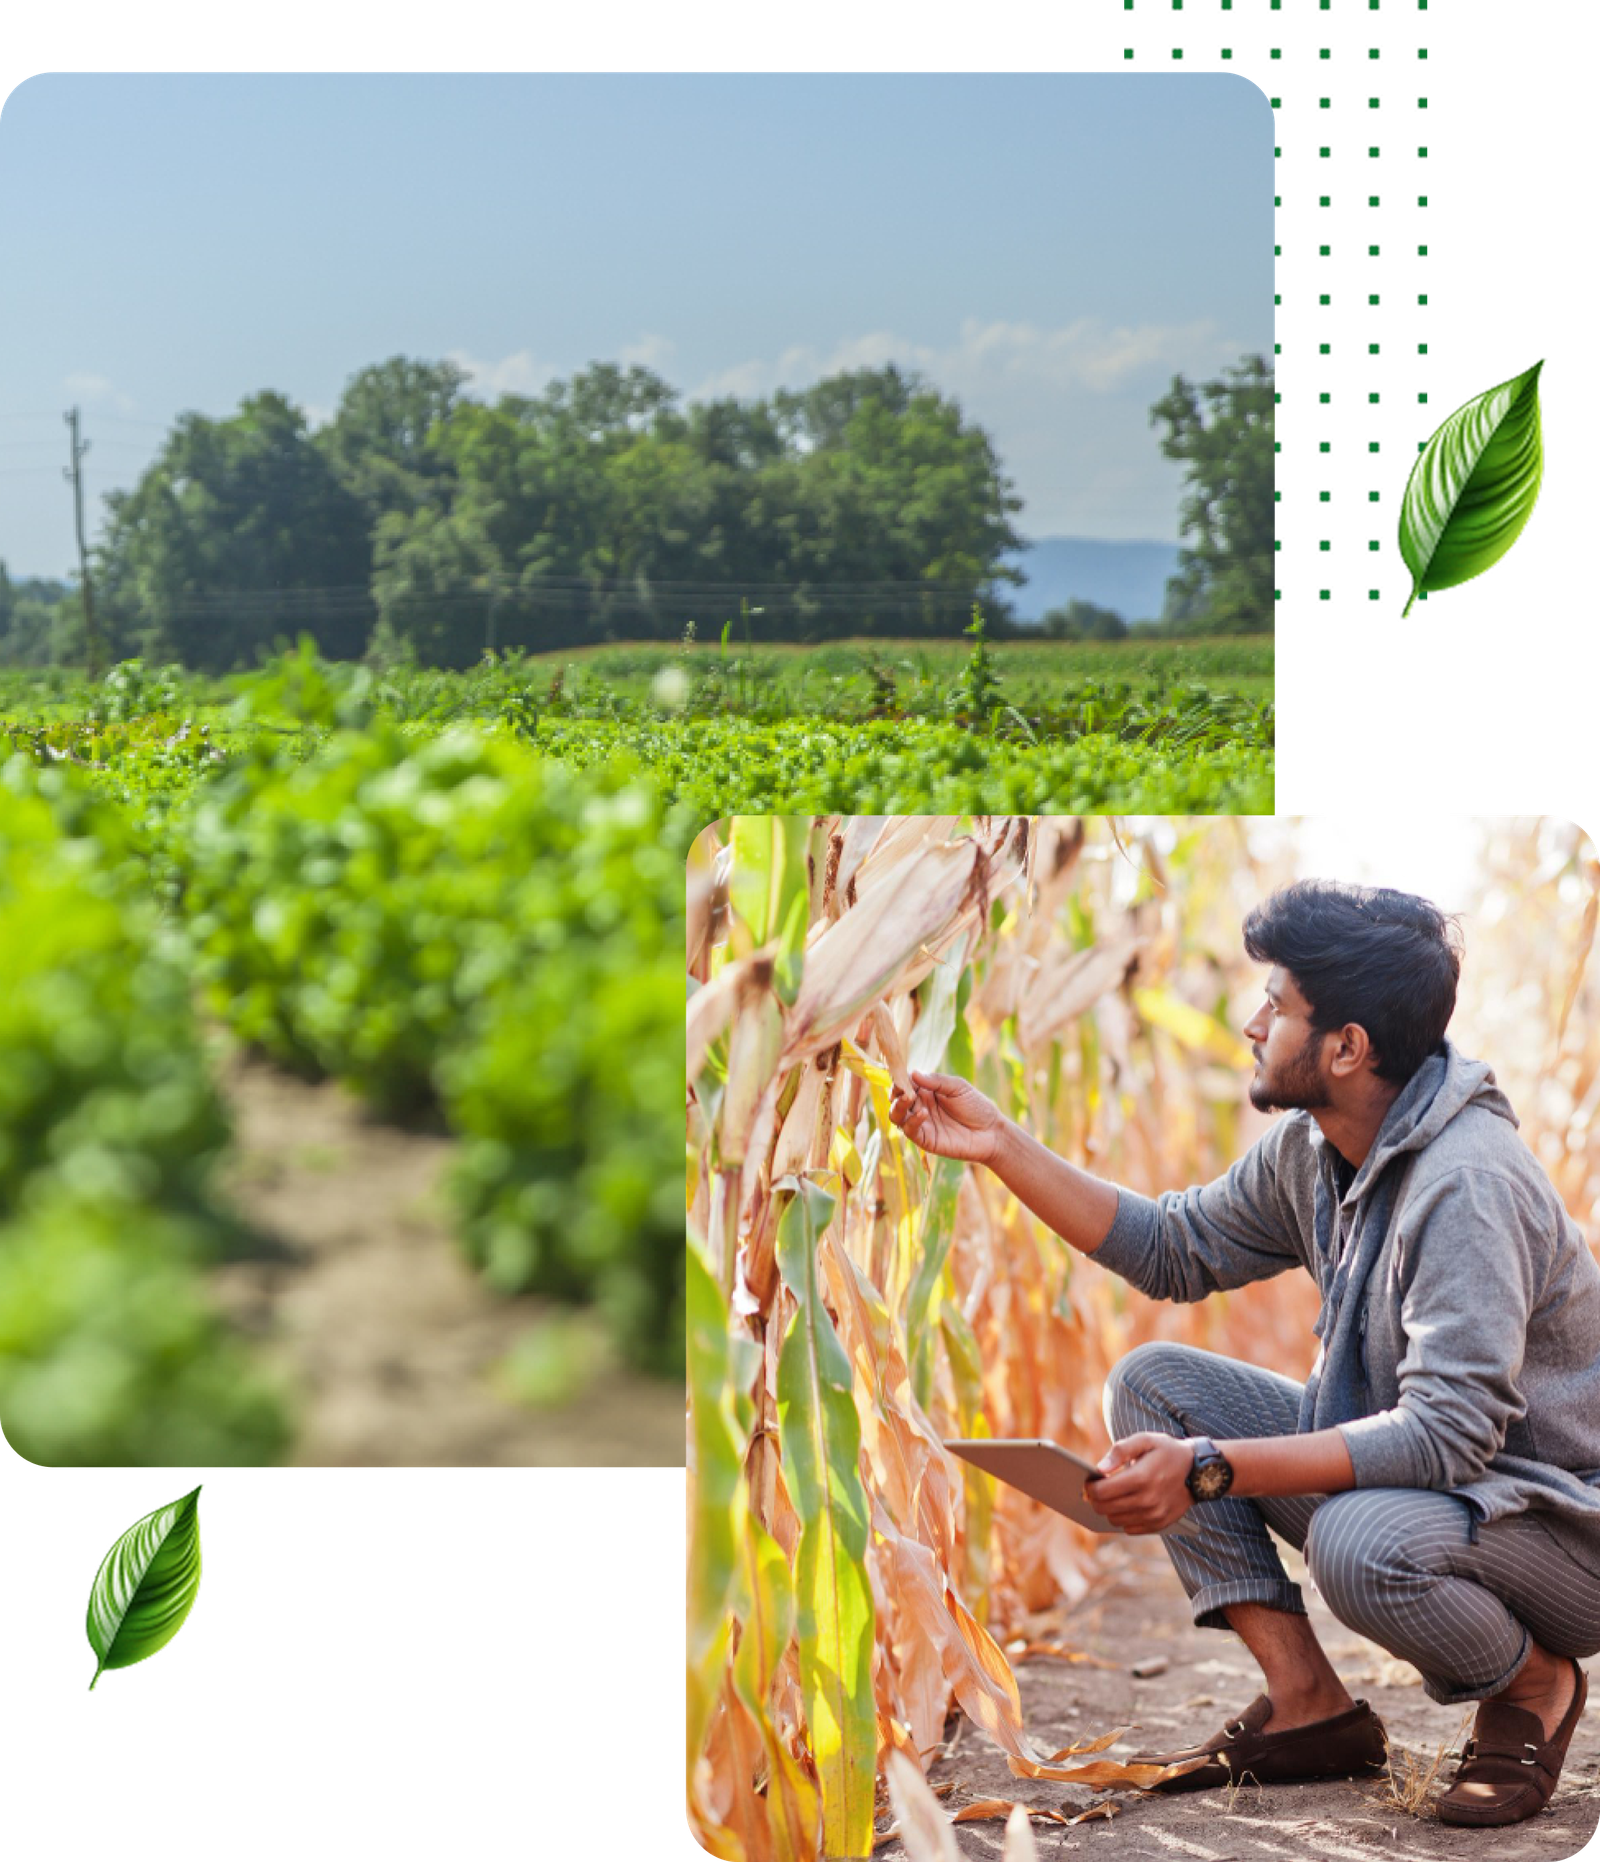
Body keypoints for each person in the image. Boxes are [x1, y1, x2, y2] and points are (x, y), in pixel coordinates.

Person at [889, 879, 1600, 1829]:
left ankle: (1535, 1684)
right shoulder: (1313, 1147)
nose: (1251, 1023)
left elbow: (1446, 1435)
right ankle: (1309, 1705)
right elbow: (1170, 1248)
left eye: (1277, 1005)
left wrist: (1208, 1469)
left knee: (1358, 1547)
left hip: (1561, 1530)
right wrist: (999, 1144)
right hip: (1445, 1490)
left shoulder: (1467, 1183)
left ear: (1347, 1048)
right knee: (1153, 1384)